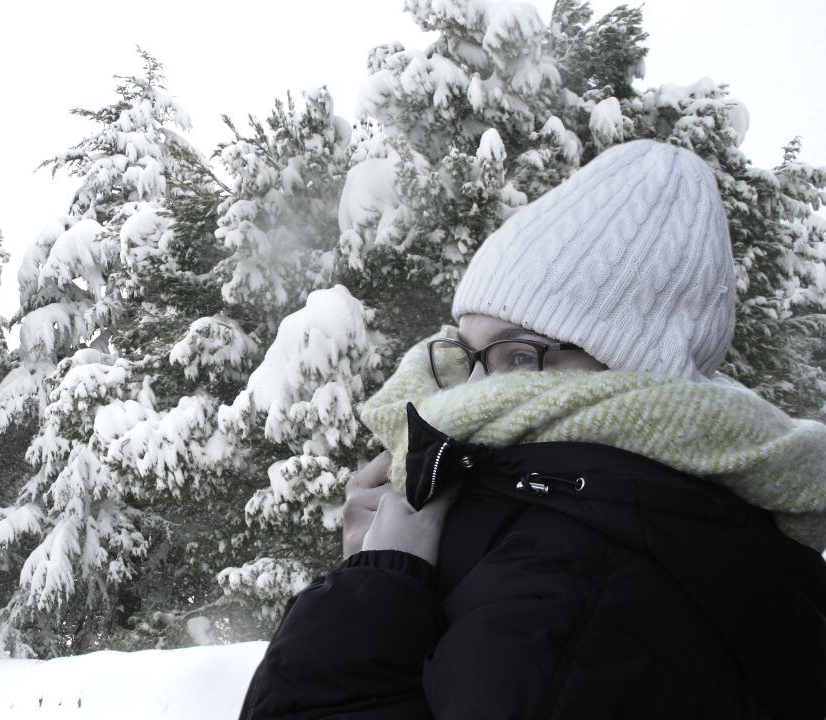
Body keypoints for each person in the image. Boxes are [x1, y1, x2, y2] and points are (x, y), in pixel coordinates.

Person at [237, 139, 826, 719]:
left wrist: (378, 588)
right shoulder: (617, 514)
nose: (472, 395)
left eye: (517, 356)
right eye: (466, 353)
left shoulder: (578, 590)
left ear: (636, 365)